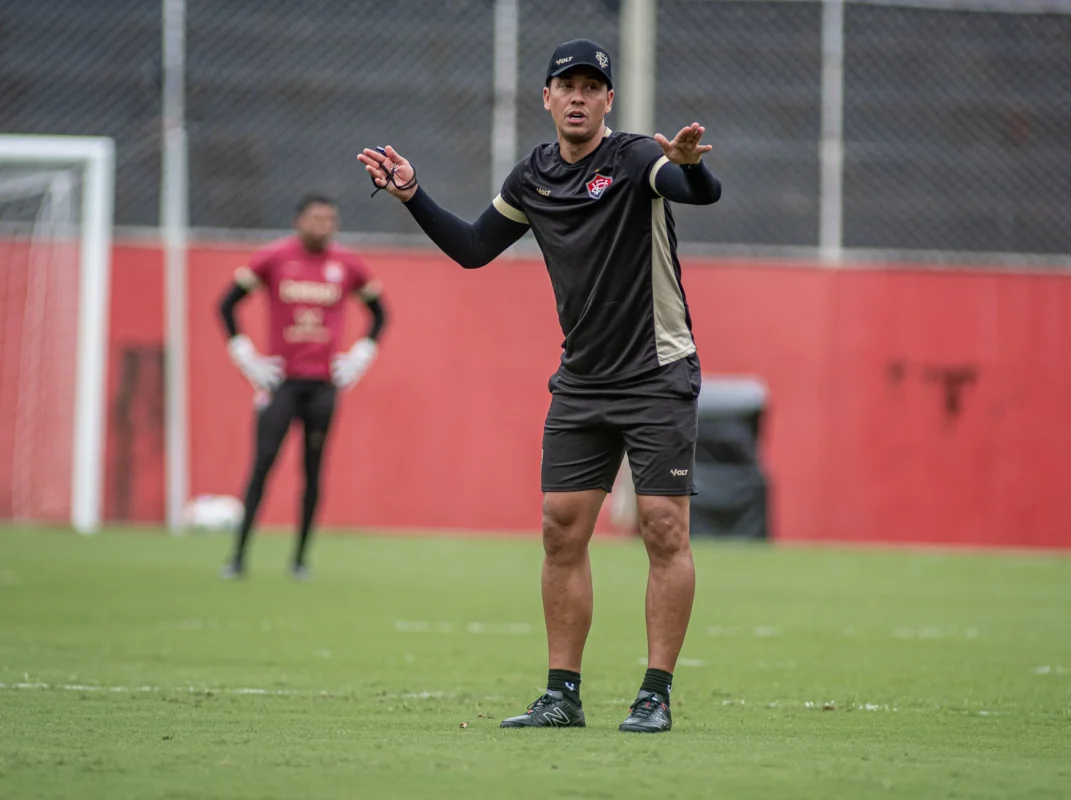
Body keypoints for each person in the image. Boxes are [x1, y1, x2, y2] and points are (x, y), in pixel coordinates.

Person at [358, 37, 721, 734]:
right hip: (582, 380)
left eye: (593, 86)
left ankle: (655, 694)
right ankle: (562, 694)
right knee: (560, 531)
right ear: (548, 97)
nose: (580, 96)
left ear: (609, 99)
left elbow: (700, 191)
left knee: (664, 528)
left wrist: (689, 168)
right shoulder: (535, 175)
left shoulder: (640, 159)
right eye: (568, 85)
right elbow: (472, 248)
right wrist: (410, 193)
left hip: (657, 374)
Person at [217, 193, 387, 580]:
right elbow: (227, 305)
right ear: (298, 220)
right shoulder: (274, 258)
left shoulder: (347, 265)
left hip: (323, 385)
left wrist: (361, 355)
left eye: (329, 218)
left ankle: (299, 561)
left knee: (313, 470)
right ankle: (238, 556)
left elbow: (381, 313)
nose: (322, 226)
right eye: (314, 218)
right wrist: (247, 358)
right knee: (262, 465)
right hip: (281, 384)